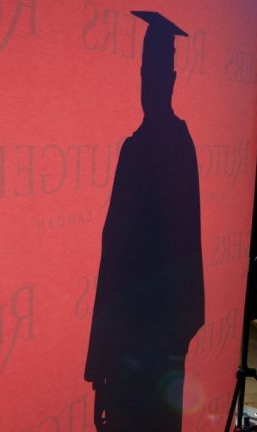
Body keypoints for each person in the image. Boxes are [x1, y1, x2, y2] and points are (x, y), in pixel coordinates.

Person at [85, 12, 204, 431]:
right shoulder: (144, 146)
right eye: (145, 75)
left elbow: (125, 249)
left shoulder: (161, 147)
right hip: (141, 324)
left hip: (145, 324)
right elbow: (113, 245)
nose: (149, 85)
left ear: (169, 81)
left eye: (156, 74)